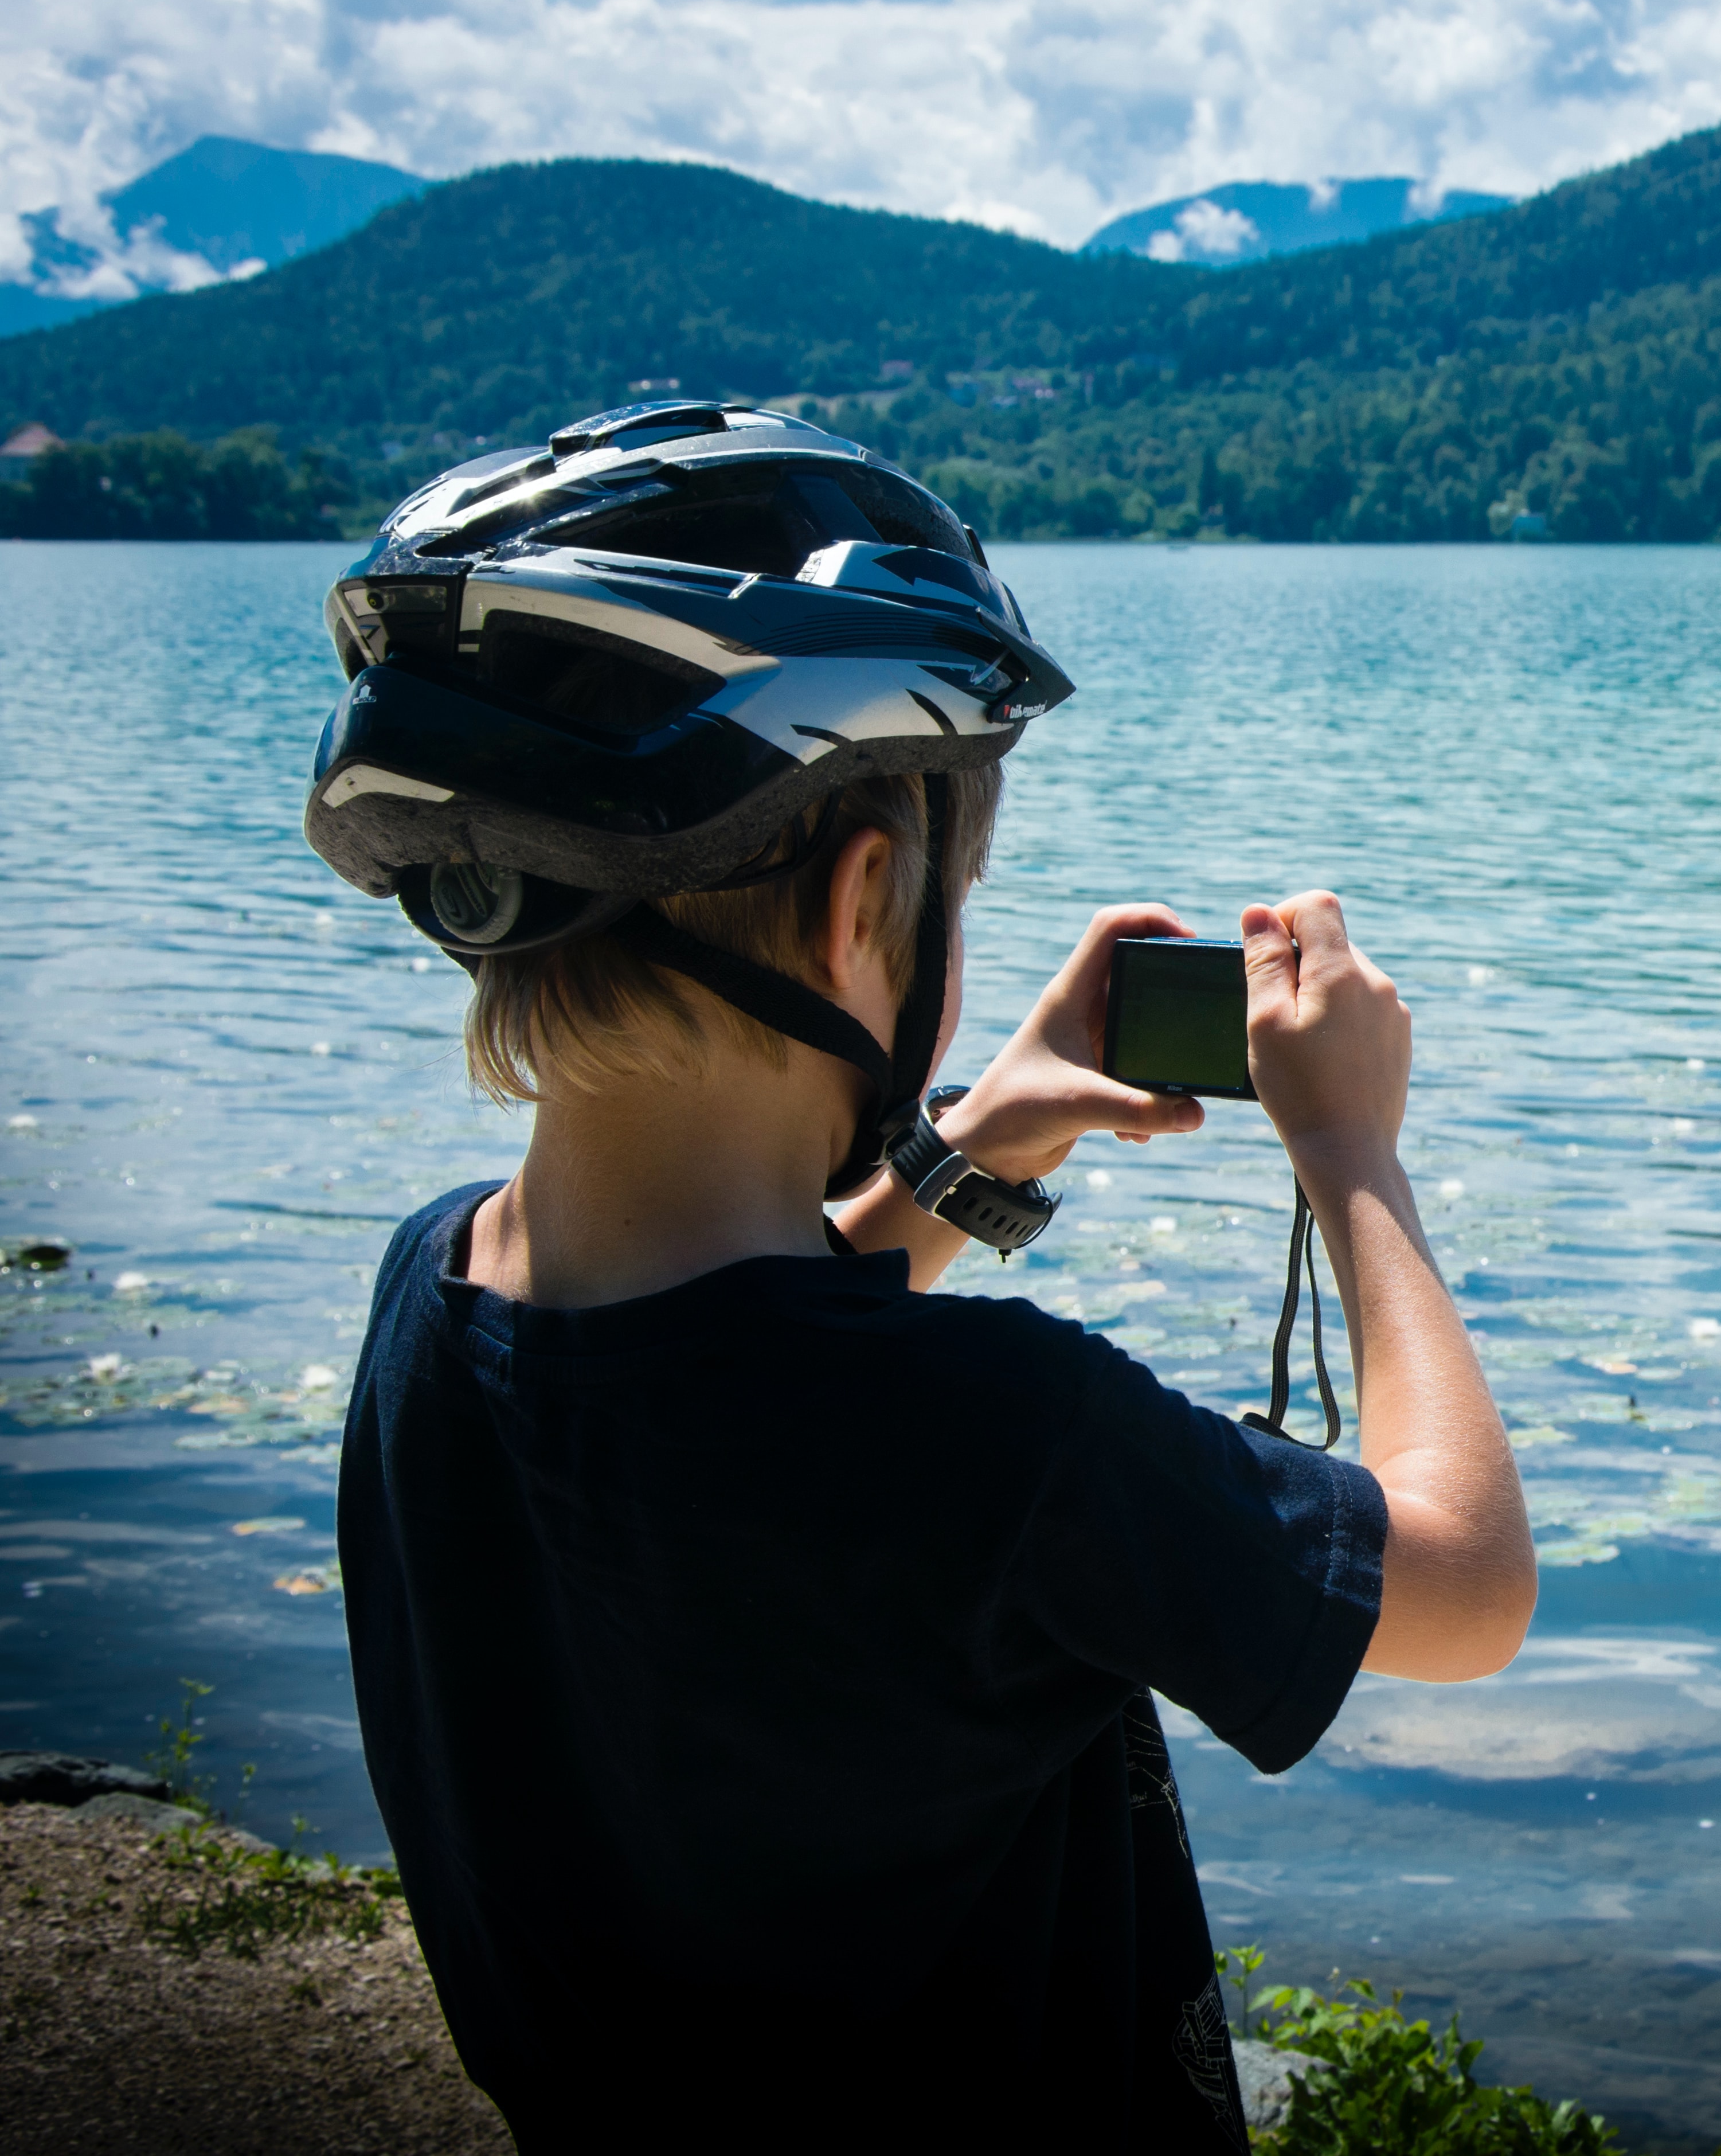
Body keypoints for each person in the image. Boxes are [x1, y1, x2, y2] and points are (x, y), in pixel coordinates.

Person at [302, 401, 1534, 2147]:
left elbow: (737, 1377)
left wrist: (978, 1149)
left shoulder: (432, 1293)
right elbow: (1467, 1592)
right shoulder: (1009, 1439)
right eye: (961, 874)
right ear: (859, 898)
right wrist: (1351, 1157)